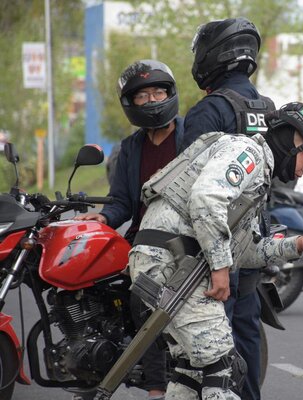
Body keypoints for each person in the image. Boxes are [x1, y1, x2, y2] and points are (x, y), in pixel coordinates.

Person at [129, 101, 303, 400]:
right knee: (224, 368)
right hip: (170, 262)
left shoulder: (258, 177)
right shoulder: (247, 152)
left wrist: (299, 245)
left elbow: (245, 252)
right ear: (289, 142)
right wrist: (220, 268)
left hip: (169, 265)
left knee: (194, 371)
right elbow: (206, 198)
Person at [74, 59, 184, 400]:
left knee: (143, 296)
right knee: (95, 285)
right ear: (131, 103)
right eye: (142, 96)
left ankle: (156, 387)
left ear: (169, 93)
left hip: (183, 239)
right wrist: (104, 218)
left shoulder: (191, 136)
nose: (152, 100)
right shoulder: (131, 148)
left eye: (158, 92)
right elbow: (121, 200)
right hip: (142, 237)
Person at [184, 17, 276, 400]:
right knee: (247, 336)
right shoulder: (267, 108)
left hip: (215, 250)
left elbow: (188, 187)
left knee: (210, 352)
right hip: (254, 241)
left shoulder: (209, 111)